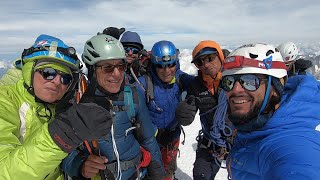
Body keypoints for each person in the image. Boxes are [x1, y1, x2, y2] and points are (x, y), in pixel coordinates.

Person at [0, 34, 112, 180]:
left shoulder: (60, 107)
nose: (57, 81)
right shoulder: (5, 101)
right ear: (30, 71)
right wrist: (61, 135)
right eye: (48, 73)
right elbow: (5, 172)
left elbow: (60, 159)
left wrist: (80, 165)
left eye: (65, 78)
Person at [62, 34, 165, 180]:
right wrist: (79, 165)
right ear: (93, 69)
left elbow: (148, 139)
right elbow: (62, 153)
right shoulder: (78, 104)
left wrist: (158, 175)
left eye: (121, 66)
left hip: (135, 175)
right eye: (108, 67)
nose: (117, 74)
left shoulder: (133, 96)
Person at [219, 43, 320, 179]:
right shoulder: (256, 126)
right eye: (228, 81)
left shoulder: (291, 147)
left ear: (275, 87)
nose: (235, 90)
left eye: (250, 81)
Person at [135, 40, 194, 180]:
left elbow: (199, 86)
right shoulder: (143, 83)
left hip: (173, 137)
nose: (167, 71)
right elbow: (136, 114)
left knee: (169, 168)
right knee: (152, 171)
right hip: (151, 140)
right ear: (154, 66)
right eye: (161, 66)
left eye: (171, 65)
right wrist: (155, 132)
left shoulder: (180, 77)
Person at [175, 40, 233, 180]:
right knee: (201, 175)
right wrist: (185, 114)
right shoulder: (196, 86)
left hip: (238, 140)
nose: (206, 64)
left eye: (210, 58)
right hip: (210, 140)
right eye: (200, 62)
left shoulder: (236, 78)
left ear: (220, 56)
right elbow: (190, 112)